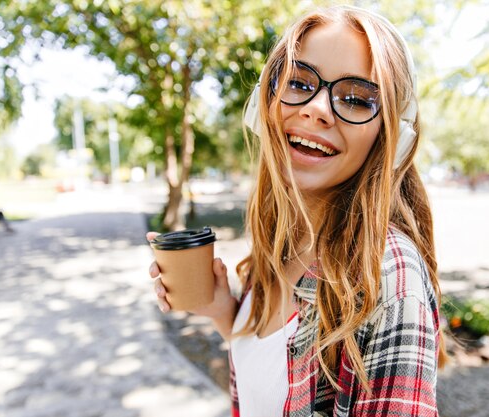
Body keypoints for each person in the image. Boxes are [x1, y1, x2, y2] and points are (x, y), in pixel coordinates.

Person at [148, 5, 445, 416]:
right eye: (299, 82)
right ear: (263, 104)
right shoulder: (280, 241)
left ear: (393, 138)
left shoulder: (387, 278)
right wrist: (224, 314)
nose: (317, 108)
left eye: (356, 98)